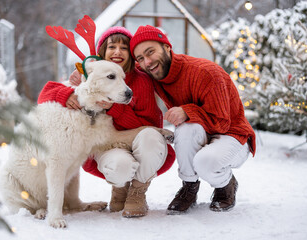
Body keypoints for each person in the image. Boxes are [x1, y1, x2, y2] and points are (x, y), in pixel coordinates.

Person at [37, 26, 175, 218]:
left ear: (131, 54)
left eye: (124, 47)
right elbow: (47, 92)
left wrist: (113, 108)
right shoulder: (91, 73)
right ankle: (119, 189)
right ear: (103, 51)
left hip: (139, 143)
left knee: (151, 136)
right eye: (112, 46)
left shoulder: (141, 81)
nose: (117, 51)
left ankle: (137, 192)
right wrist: (66, 94)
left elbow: (150, 122)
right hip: (110, 147)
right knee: (120, 164)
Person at [129, 25, 256, 213]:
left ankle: (226, 184)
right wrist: (83, 72)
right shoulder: (152, 70)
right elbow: (122, 69)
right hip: (201, 131)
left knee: (205, 162)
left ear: (167, 47)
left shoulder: (205, 73)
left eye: (150, 52)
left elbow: (222, 123)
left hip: (233, 135)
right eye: (141, 58)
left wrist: (188, 111)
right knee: (186, 129)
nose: (147, 62)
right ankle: (189, 187)